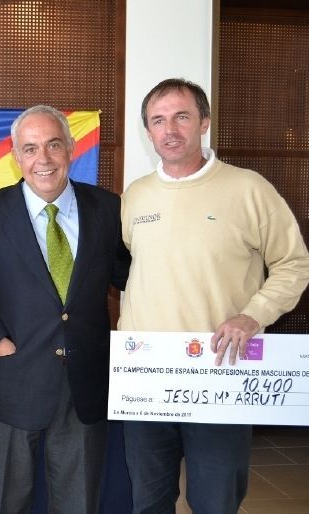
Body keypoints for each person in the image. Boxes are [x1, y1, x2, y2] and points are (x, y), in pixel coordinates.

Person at [120, 78, 309, 514]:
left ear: (204, 122)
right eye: (158, 120)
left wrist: (253, 316)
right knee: (148, 500)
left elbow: (294, 264)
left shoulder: (249, 189)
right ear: (148, 132)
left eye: (181, 117)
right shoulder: (135, 197)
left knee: (215, 501)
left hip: (219, 373)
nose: (170, 129)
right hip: (147, 377)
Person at [0, 105, 130, 514]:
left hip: (86, 385)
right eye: (31, 148)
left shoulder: (108, 209)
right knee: (6, 501)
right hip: (14, 381)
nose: (44, 159)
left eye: (54, 145)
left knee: (78, 502)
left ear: (71, 148)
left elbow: (131, 280)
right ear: (15, 156)